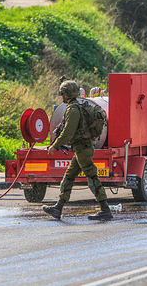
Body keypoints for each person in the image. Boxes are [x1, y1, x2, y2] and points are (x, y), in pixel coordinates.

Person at [42, 80, 113, 221]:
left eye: (62, 93)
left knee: (92, 177)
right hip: (83, 147)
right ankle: (58, 208)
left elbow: (68, 132)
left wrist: (54, 146)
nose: (61, 96)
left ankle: (105, 210)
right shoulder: (79, 106)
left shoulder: (73, 109)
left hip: (83, 148)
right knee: (69, 176)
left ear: (66, 94)